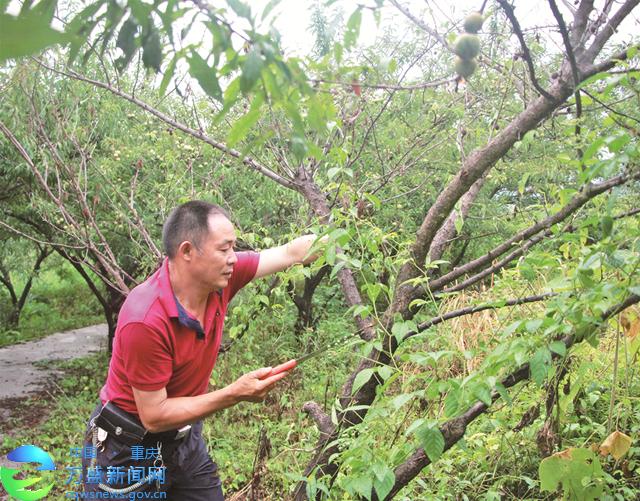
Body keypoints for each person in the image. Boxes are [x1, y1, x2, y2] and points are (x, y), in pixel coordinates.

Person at [81, 200, 323, 500]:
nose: (233, 258)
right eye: (224, 249)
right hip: (126, 449)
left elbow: (290, 253)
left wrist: (342, 233)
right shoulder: (145, 319)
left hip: (182, 442)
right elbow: (154, 416)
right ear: (187, 252)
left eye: (234, 248)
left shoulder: (221, 279)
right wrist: (234, 394)